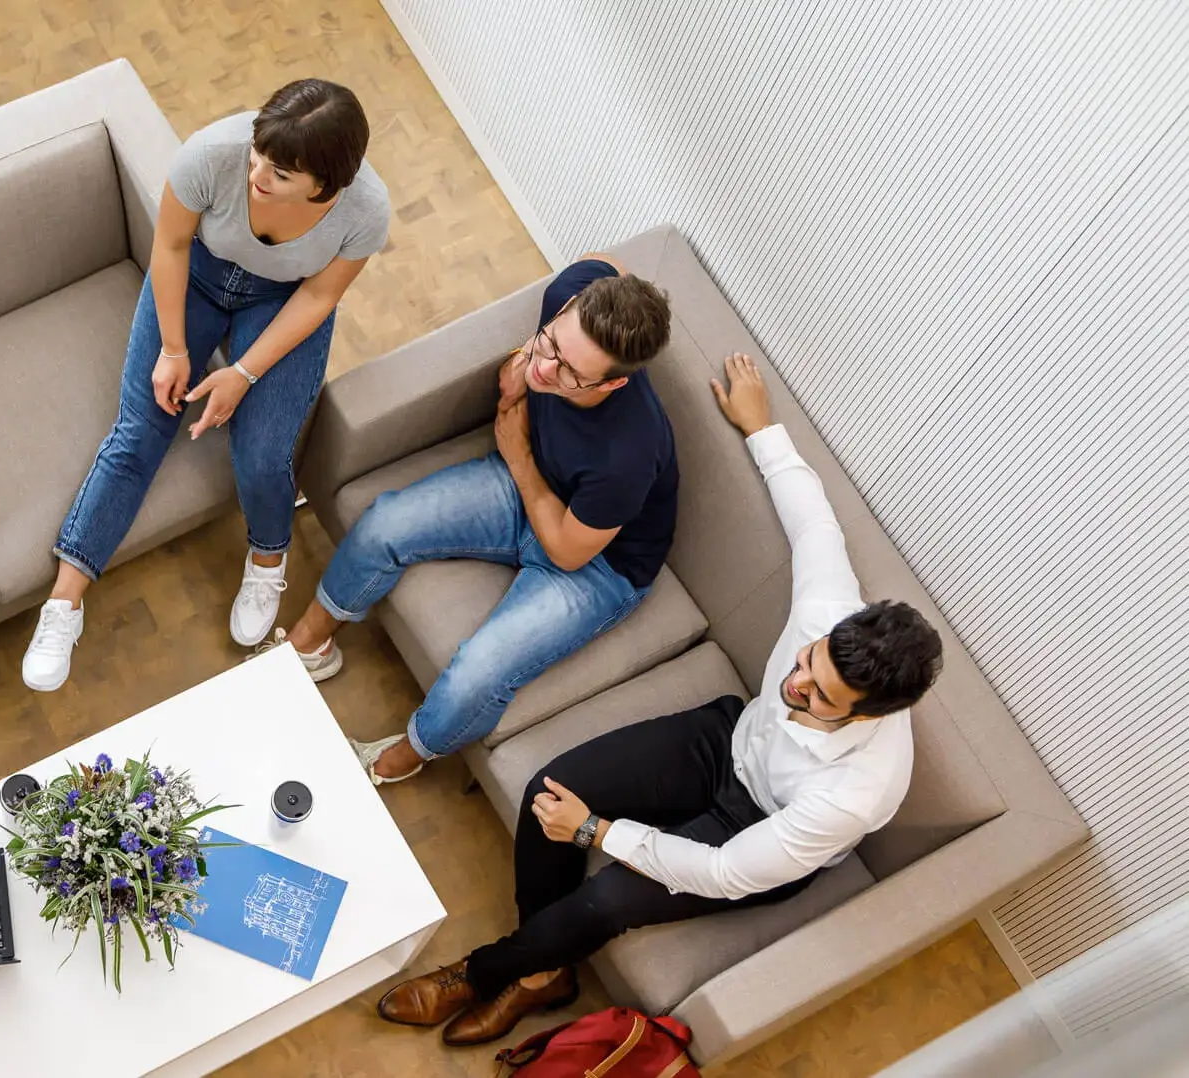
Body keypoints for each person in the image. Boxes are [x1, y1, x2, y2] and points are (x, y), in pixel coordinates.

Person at [371, 354, 945, 1047]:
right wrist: (762, 428)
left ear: (871, 714)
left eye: (820, 695)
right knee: (549, 789)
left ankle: (489, 972)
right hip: (727, 743)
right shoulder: (829, 611)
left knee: (607, 897)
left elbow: (723, 872)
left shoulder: (854, 792)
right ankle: (543, 972)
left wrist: (597, 833)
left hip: (759, 831)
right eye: (805, 662)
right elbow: (815, 525)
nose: (795, 684)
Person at [21, 78, 391, 692]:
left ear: (324, 183)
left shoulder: (365, 211)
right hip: (195, 275)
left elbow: (322, 294)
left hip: (283, 299)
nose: (256, 173)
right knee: (140, 431)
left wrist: (242, 375)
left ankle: (268, 558)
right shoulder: (211, 154)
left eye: (277, 171)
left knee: (263, 452)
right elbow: (168, 245)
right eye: (257, 154)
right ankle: (64, 605)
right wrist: (173, 350)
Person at [260, 255, 677, 784]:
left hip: (596, 564)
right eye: (550, 344)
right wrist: (524, 359)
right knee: (386, 523)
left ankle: (399, 760)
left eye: (569, 373)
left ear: (613, 384)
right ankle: (308, 647)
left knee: (479, 672)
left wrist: (520, 455)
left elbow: (569, 551)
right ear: (569, 305)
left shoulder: (629, 454)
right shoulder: (576, 292)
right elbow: (610, 264)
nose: (544, 371)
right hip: (530, 484)